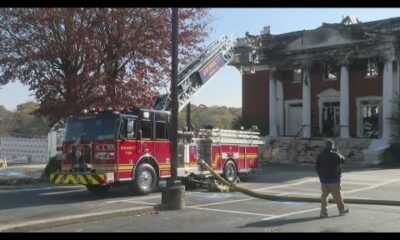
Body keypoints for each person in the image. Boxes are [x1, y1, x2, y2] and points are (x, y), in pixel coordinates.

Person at [316, 139, 349, 218]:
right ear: (332, 146)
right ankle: (341, 211)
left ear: (325, 146)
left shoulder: (320, 155)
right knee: (338, 196)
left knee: (324, 196)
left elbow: (317, 167)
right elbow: (343, 160)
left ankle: (323, 212)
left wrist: (321, 176)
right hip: (334, 179)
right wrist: (338, 151)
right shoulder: (335, 155)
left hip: (324, 180)